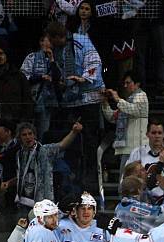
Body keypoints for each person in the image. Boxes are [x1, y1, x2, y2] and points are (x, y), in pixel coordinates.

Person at [45, 20, 104, 197]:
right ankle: (72, 181)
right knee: (70, 143)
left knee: (89, 143)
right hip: (69, 101)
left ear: (59, 37)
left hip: (88, 99)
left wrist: (83, 78)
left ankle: (91, 182)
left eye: (53, 40)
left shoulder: (82, 40)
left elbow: (95, 63)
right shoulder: (54, 50)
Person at [14, 121, 83, 217]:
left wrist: (74, 132)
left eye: (30, 134)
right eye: (24, 135)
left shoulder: (44, 151)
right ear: (20, 138)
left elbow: (62, 145)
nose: (28, 137)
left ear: (35, 135)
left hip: (41, 202)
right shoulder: (19, 154)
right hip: (23, 201)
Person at [101, 70, 149, 175]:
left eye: (128, 83)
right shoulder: (128, 100)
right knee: (125, 181)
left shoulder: (141, 95)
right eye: (125, 83)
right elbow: (113, 117)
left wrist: (118, 99)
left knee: (132, 182)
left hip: (137, 147)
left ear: (137, 83)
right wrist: (105, 102)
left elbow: (134, 110)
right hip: (127, 148)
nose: (125, 86)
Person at [20, 34, 60, 140]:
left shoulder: (57, 58)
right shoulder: (31, 57)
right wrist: (40, 77)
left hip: (50, 102)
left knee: (45, 132)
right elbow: (23, 77)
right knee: (30, 130)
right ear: (40, 42)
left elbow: (59, 77)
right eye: (45, 40)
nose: (47, 43)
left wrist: (52, 60)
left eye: (50, 41)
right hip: (34, 100)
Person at [0, 45, 33, 122]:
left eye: (2, 53)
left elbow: (27, 99)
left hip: (17, 120)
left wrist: (24, 120)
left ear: (6, 55)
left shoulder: (18, 76)